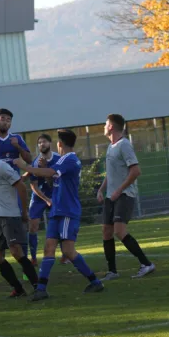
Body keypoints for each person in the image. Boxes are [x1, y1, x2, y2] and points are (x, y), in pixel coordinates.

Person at [14, 129, 104, 301]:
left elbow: (49, 173)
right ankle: (41, 289)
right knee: (49, 248)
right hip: (57, 210)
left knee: (68, 251)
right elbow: (52, 178)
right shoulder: (65, 160)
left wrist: (25, 167)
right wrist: (41, 168)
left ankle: (95, 281)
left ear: (59, 144)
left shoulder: (69, 159)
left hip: (67, 211)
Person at [97, 114, 155, 280]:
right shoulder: (111, 146)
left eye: (105, 123)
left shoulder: (124, 145)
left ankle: (146, 264)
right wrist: (102, 189)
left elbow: (136, 171)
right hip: (111, 195)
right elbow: (111, 174)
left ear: (111, 127)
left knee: (119, 231)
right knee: (106, 232)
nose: (103, 126)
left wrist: (119, 190)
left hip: (124, 194)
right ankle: (112, 272)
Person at [0, 139, 39, 297]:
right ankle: (18, 289)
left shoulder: (0, 166)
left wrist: (24, 211)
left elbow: (20, 186)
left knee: (16, 252)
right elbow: (0, 192)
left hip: (9, 217)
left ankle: (38, 286)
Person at [27, 134, 60, 265]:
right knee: (33, 225)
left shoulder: (58, 159)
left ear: (50, 143)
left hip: (55, 194)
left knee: (59, 223)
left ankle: (66, 254)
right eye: (39, 142)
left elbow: (56, 182)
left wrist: (45, 168)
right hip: (39, 196)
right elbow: (33, 185)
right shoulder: (35, 162)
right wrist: (46, 199)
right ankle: (33, 257)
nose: (42, 144)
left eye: (44, 141)